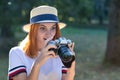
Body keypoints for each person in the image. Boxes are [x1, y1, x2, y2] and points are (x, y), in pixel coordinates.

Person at [8, 5, 75, 80]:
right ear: (33, 31)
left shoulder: (59, 53)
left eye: (53, 28)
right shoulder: (17, 53)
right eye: (43, 28)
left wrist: (71, 62)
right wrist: (38, 63)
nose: (49, 34)